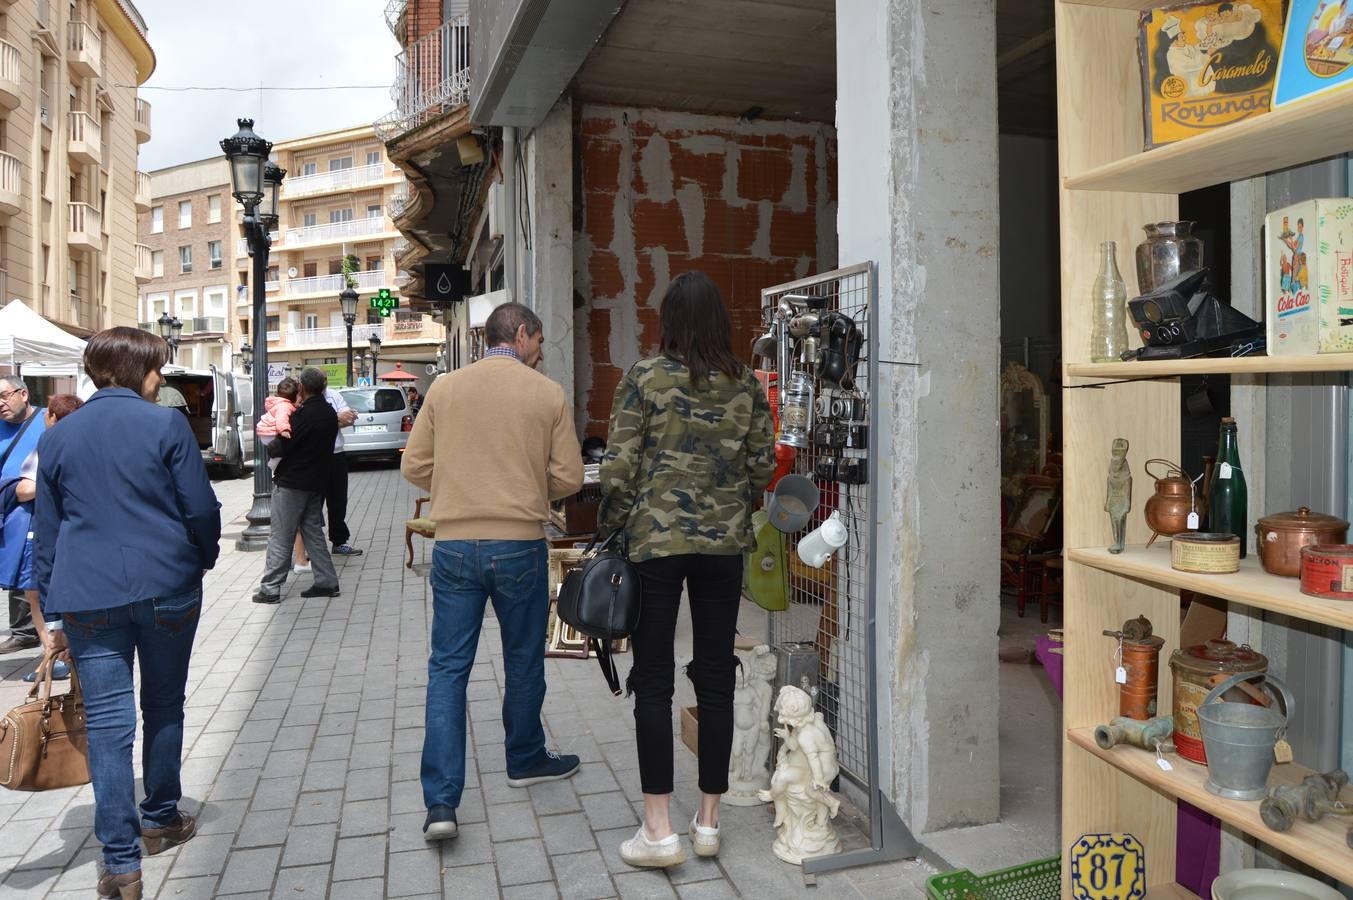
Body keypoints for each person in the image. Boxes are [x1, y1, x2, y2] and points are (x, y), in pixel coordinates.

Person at [32, 328, 221, 900]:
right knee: (163, 703)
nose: (160, 377)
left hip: (88, 597)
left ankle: (120, 863)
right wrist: (202, 560)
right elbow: (202, 507)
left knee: (111, 727)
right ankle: (161, 817)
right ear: (137, 369)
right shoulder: (164, 423)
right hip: (166, 584)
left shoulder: (61, 437)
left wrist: (55, 615)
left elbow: (49, 531)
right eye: (157, 368)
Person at [597, 271, 776, 868]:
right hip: (724, 547)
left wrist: (612, 524)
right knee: (716, 676)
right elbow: (761, 466)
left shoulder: (644, 378)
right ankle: (708, 822)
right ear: (720, 321)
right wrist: (732, 509)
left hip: (656, 545)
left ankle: (657, 830)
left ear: (669, 320)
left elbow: (619, 466)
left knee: (653, 679)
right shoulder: (745, 383)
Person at [402, 302, 584, 843]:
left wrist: (459, 478)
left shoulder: (445, 388)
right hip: (519, 545)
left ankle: (440, 804)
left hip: (454, 545)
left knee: (447, 670)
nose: (541, 350)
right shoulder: (545, 393)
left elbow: (413, 466)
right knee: (523, 658)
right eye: (539, 339)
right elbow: (570, 476)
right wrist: (528, 485)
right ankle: (525, 757)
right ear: (521, 333)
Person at [7, 394, 85, 682]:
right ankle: (57, 653)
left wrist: (13, 488)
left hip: (48, 532)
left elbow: (27, 489)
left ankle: (53, 652)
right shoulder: (87, 442)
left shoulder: (49, 444)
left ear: (52, 416)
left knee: (37, 592)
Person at [252, 368, 341, 604]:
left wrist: (271, 446)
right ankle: (327, 582)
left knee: (281, 534)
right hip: (316, 482)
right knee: (312, 532)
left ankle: (270, 588)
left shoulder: (302, 416)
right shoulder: (329, 414)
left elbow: (280, 446)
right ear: (323, 388)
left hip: (292, 483)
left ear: (302, 388)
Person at [0, 376, 47, 654]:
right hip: (8, 511)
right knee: (15, 573)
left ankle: (52, 645)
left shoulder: (48, 420)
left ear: (24, 394)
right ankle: (23, 631)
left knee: (36, 582)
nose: (1, 403)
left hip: (41, 511)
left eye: (5, 396)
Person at [324, 384, 361, 557]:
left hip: (336, 454)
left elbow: (349, 419)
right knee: (312, 503)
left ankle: (339, 541)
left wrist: (332, 420)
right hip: (313, 457)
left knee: (338, 500)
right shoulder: (303, 396)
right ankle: (309, 546)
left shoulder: (333, 395)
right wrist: (335, 419)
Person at [256, 377, 298, 473]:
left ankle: (275, 463)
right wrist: (284, 430)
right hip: (271, 433)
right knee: (280, 452)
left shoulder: (278, 403)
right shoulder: (285, 406)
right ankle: (273, 464)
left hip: (265, 432)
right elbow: (281, 419)